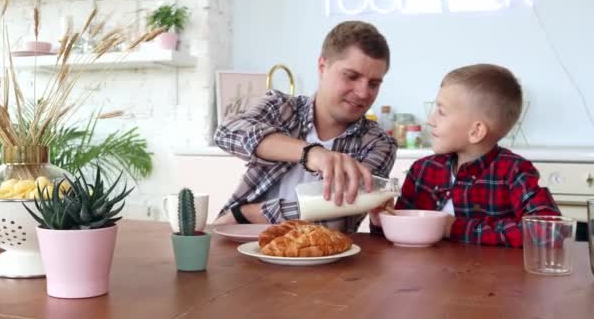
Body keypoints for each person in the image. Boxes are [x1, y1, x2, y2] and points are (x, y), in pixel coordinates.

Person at [212, 21, 397, 233]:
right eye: (351, 76)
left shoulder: (378, 144)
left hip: (319, 258)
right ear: (322, 67)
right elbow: (226, 132)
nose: (364, 93)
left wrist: (245, 214)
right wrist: (311, 153)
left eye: (374, 83)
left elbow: (333, 216)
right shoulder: (281, 108)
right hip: (242, 244)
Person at [377, 64, 560, 247]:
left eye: (441, 112)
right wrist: (383, 220)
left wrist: (455, 228)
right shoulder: (422, 170)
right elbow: (398, 237)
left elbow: (549, 230)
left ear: (476, 131)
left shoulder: (515, 171)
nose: (430, 120)